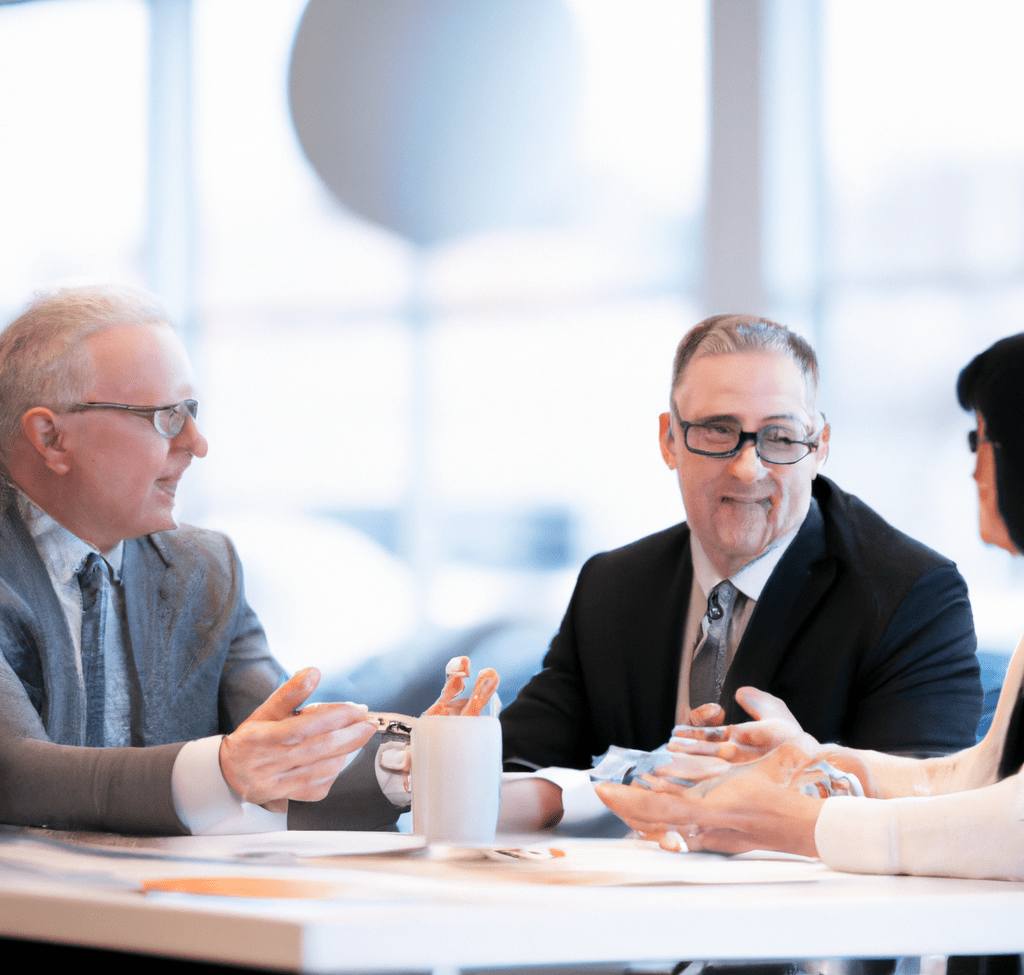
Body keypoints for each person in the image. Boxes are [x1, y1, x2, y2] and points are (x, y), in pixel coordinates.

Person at [498, 314, 982, 829]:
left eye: (780, 437)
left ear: (819, 448)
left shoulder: (912, 595)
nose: (749, 468)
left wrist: (807, 774)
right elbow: (520, 761)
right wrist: (438, 759)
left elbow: (932, 813)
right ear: (669, 440)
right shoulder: (612, 586)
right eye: (717, 430)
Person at [595, 331, 1024, 882]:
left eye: (980, 442)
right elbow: (989, 776)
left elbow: (1011, 820)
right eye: (717, 430)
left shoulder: (909, 585)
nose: (974, 472)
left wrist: (795, 822)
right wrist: (817, 761)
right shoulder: (618, 580)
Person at [0, 285, 399, 835]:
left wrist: (418, 761)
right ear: (51, 437)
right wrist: (224, 769)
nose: (196, 441)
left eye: (191, 411)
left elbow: (282, 749)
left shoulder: (205, 569)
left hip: (171, 908)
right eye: (164, 416)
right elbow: (14, 774)